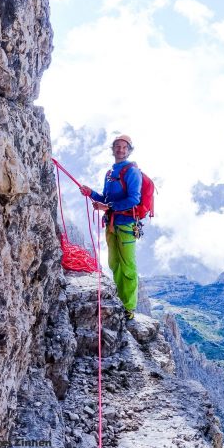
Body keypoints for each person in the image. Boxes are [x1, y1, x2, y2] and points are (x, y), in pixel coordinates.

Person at [80, 134, 141, 319]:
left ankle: (129, 307)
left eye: (124, 147)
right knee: (114, 263)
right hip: (112, 225)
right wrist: (91, 193)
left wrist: (107, 207)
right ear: (113, 149)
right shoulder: (110, 173)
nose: (120, 150)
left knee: (128, 265)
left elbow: (133, 199)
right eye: (117, 146)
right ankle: (121, 299)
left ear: (129, 151)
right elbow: (106, 199)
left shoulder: (131, 171)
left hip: (127, 225)